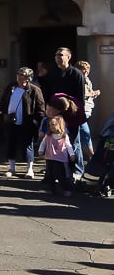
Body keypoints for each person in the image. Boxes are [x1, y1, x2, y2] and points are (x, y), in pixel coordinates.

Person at [44, 47, 86, 179]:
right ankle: (56, 173)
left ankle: (76, 172)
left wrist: (74, 112)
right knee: (54, 143)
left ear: (68, 57)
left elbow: (80, 97)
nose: (58, 57)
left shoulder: (76, 74)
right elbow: (48, 92)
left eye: (61, 55)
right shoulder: (52, 73)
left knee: (73, 143)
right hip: (55, 115)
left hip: (71, 114)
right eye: (56, 55)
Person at [0, 67, 45, 178]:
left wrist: (36, 121)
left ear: (28, 77)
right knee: (11, 144)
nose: (20, 76)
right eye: (19, 74)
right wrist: (1, 114)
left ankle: (29, 169)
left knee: (28, 145)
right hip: (10, 122)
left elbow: (40, 107)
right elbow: (3, 101)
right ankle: (12, 168)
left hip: (26, 122)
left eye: (23, 74)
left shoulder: (34, 90)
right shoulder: (11, 87)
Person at [38, 115, 75, 197]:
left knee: (59, 174)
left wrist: (72, 154)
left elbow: (68, 146)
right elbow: (43, 143)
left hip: (60, 159)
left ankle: (66, 189)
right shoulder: (48, 135)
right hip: (49, 157)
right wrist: (41, 150)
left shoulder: (64, 136)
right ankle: (51, 189)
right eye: (50, 125)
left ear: (60, 124)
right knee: (50, 174)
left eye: (53, 124)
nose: (51, 127)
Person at [74, 60, 100, 159]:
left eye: (87, 70)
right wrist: (93, 93)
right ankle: (92, 157)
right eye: (83, 70)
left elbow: (88, 93)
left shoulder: (87, 80)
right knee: (85, 134)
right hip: (80, 111)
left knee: (82, 135)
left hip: (87, 110)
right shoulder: (78, 80)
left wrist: (94, 94)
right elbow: (81, 94)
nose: (85, 72)